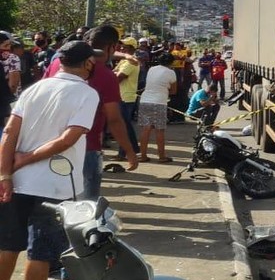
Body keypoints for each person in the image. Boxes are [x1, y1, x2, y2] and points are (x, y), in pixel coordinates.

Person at [0, 40, 100, 280]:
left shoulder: (35, 89)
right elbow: (68, 139)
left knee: (7, 247)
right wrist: (25, 159)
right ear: (88, 63)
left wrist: (5, 173)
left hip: (18, 181)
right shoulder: (87, 94)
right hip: (55, 185)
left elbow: (9, 131)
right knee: (40, 253)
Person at [45, 28, 139, 198]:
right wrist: (129, 151)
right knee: (86, 208)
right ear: (111, 47)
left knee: (52, 205)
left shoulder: (57, 64)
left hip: (49, 145)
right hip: (87, 148)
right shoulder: (106, 75)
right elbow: (114, 120)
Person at [139, 53, 177, 163]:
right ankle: (161, 157)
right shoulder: (171, 72)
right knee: (159, 130)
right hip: (159, 102)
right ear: (171, 62)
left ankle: (143, 155)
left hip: (145, 100)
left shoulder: (152, 69)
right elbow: (174, 91)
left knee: (146, 129)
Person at [113, 37, 141, 162]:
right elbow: (114, 73)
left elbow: (118, 77)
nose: (122, 48)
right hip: (122, 95)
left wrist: (113, 74)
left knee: (123, 127)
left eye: (125, 46)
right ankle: (133, 149)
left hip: (125, 97)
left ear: (131, 48)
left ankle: (124, 153)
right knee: (126, 126)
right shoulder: (124, 60)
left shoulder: (130, 62)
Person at [0, 32, 20, 128]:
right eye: (5, 45)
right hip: (7, 103)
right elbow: (13, 87)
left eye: (9, 45)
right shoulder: (13, 58)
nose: (8, 48)